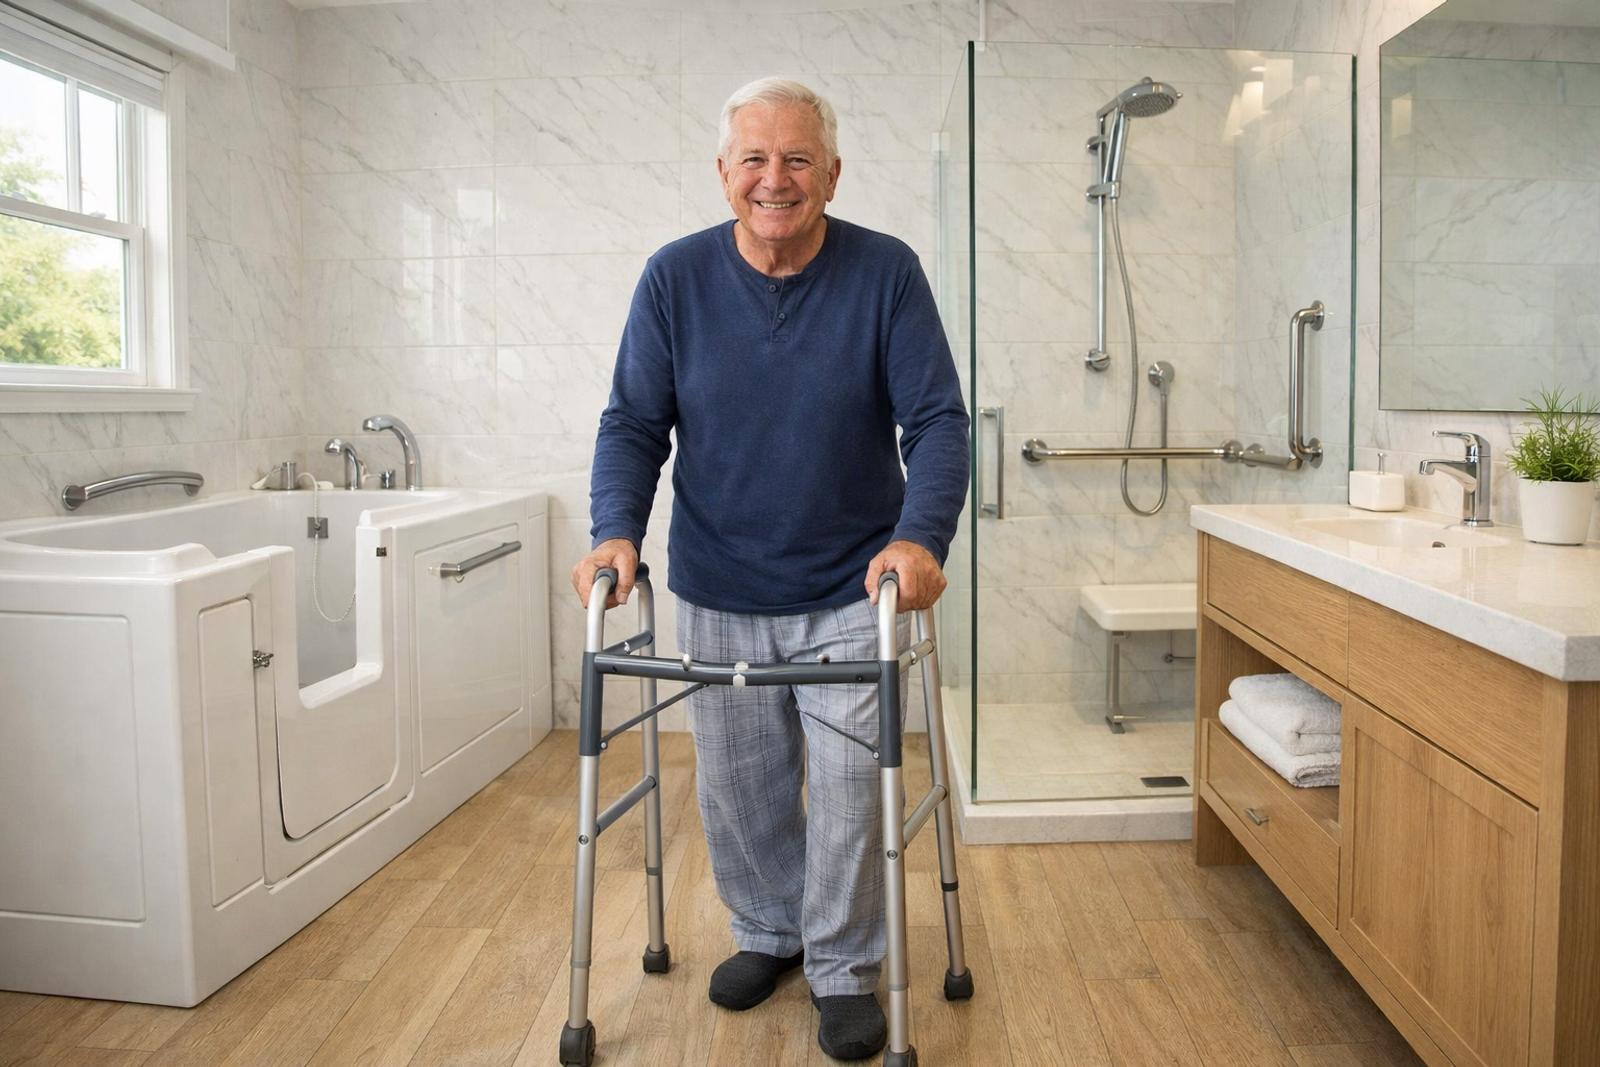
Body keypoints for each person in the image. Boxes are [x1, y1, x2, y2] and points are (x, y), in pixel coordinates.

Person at [571, 78, 969, 1062]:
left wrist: (921, 540)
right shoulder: (675, 278)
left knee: (844, 788)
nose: (774, 178)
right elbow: (632, 420)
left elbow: (938, 421)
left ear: (832, 173)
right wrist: (616, 529)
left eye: (797, 159)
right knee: (740, 790)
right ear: (723, 173)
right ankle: (769, 931)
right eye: (754, 158)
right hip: (719, 579)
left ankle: (840, 964)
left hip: (850, 583)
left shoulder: (886, 274)